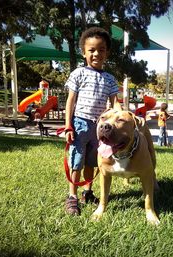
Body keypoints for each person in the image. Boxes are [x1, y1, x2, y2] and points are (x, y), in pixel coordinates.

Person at [64, 27, 120, 216]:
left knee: (92, 162)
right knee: (77, 161)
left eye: (101, 49)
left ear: (107, 52)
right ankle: (72, 196)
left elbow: (115, 104)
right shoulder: (78, 73)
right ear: (84, 52)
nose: (96, 54)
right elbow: (71, 101)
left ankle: (87, 192)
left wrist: (124, 119)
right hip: (79, 124)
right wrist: (68, 125)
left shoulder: (110, 79)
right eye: (92, 50)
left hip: (98, 128)